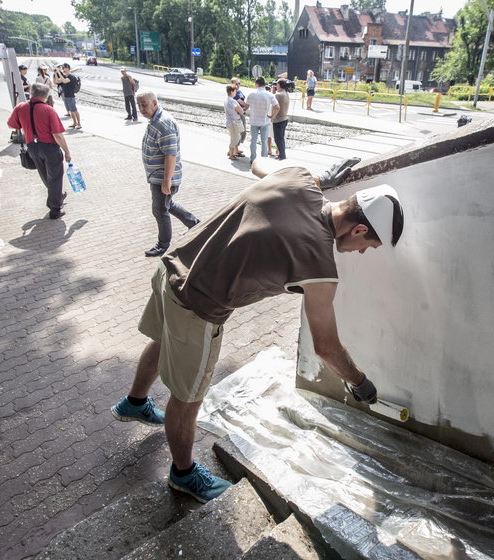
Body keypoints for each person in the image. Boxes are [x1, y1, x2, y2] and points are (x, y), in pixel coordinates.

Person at [110, 156, 404, 503]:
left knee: (163, 340)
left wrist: (319, 177)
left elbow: (258, 165)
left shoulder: (300, 178)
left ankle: (135, 402)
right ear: (358, 229)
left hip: (172, 267)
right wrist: (359, 382)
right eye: (369, 245)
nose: (363, 252)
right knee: (188, 398)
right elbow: (326, 347)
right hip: (197, 304)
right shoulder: (319, 265)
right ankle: (183, 474)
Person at [137, 90, 200, 257]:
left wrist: (167, 180)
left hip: (162, 177)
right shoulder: (155, 120)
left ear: (155, 103)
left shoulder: (163, 123)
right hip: (158, 176)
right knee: (167, 204)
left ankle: (163, 244)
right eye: (139, 105)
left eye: (144, 105)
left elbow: (170, 154)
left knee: (159, 210)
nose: (141, 109)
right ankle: (195, 224)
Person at [7, 83, 72, 220]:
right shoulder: (48, 110)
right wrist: (66, 151)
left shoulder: (20, 107)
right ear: (46, 95)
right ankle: (55, 209)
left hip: (32, 147)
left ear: (31, 93)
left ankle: (57, 196)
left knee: (45, 175)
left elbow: (11, 124)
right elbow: (57, 135)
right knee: (55, 177)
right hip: (49, 147)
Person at [244, 76, 279, 163]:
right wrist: (272, 116)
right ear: (264, 84)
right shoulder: (269, 95)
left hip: (254, 120)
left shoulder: (251, 94)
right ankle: (263, 160)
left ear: (256, 83)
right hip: (265, 121)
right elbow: (277, 107)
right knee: (264, 141)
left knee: (253, 140)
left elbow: (247, 107)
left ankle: (252, 158)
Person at [55, 63, 81, 129]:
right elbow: (56, 81)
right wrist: (56, 73)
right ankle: (74, 123)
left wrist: (59, 72)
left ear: (68, 68)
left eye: (64, 68)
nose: (63, 69)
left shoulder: (71, 77)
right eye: (63, 68)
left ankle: (79, 124)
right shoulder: (66, 76)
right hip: (67, 96)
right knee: (71, 111)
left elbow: (64, 81)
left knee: (74, 110)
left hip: (71, 96)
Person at [224, 85, 244, 160]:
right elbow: (241, 111)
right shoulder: (232, 101)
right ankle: (231, 154)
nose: (236, 92)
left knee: (233, 137)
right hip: (234, 122)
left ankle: (231, 152)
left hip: (229, 122)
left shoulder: (226, 100)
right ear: (231, 91)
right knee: (236, 138)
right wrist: (240, 111)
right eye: (235, 91)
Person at [271, 78, 290, 160]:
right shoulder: (285, 93)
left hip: (278, 119)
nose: (276, 86)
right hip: (284, 118)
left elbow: (272, 101)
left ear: (280, 85)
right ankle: (282, 155)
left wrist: (272, 91)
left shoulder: (278, 95)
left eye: (277, 85)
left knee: (278, 139)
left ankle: (282, 156)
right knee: (281, 138)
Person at [230, 77, 247, 157]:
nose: (238, 85)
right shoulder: (234, 93)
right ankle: (234, 151)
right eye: (236, 84)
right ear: (232, 84)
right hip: (238, 114)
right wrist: (249, 105)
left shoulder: (239, 91)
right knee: (239, 132)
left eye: (239, 83)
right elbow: (241, 102)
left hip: (242, 112)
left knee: (241, 132)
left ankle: (235, 149)